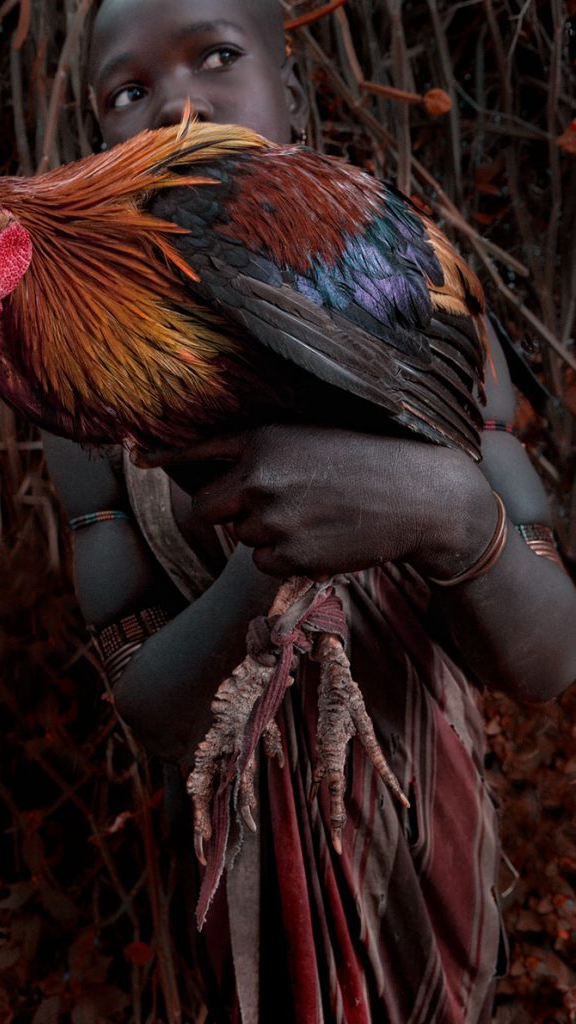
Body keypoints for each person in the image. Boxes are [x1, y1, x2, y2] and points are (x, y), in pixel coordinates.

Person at [42, 0, 576, 1019]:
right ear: (98, 142)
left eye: (215, 56)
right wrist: (265, 563)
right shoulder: (87, 389)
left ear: (289, 95)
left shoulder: (409, 285)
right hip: (233, 868)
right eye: (128, 92)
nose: (180, 107)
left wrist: (446, 507)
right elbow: (148, 710)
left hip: (419, 830)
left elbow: (548, 655)